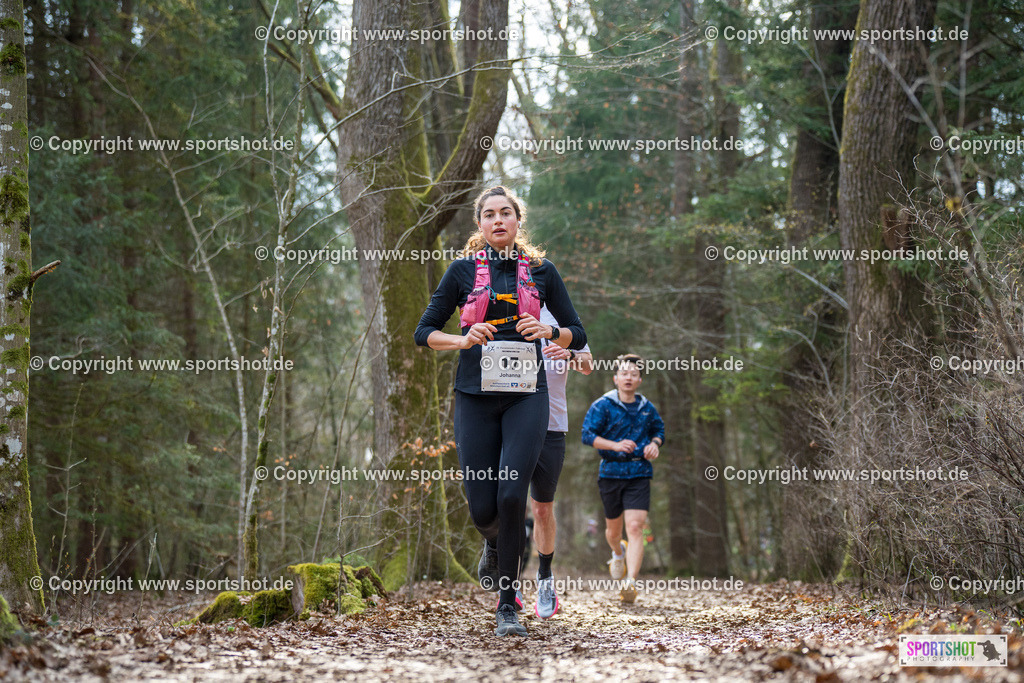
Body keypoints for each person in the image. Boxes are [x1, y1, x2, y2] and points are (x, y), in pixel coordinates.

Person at [414, 185, 587, 636]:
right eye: (489, 214)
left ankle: (507, 605)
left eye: (505, 213)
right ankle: (493, 544)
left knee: (512, 497)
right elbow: (424, 332)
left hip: (527, 396)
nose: (498, 221)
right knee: (482, 510)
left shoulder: (542, 271)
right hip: (475, 396)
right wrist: (462, 339)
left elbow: (577, 332)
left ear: (517, 220)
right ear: (479, 223)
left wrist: (549, 332)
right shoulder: (462, 271)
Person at [581, 354, 664, 603]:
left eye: (634, 374)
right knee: (613, 533)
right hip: (611, 472)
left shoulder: (647, 407)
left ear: (639, 380)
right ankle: (618, 553)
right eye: (624, 373)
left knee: (636, 527)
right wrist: (615, 445)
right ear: (615, 378)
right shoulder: (603, 405)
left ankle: (631, 583)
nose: (629, 378)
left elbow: (659, 430)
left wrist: (654, 444)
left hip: (639, 472)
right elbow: (587, 435)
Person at [528, 304, 592, 619]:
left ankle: (544, 577)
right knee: (506, 502)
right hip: (508, 424)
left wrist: (569, 355)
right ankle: (507, 584)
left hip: (552, 424)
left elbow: (588, 364)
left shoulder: (561, 315)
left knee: (542, 509)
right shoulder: (504, 304)